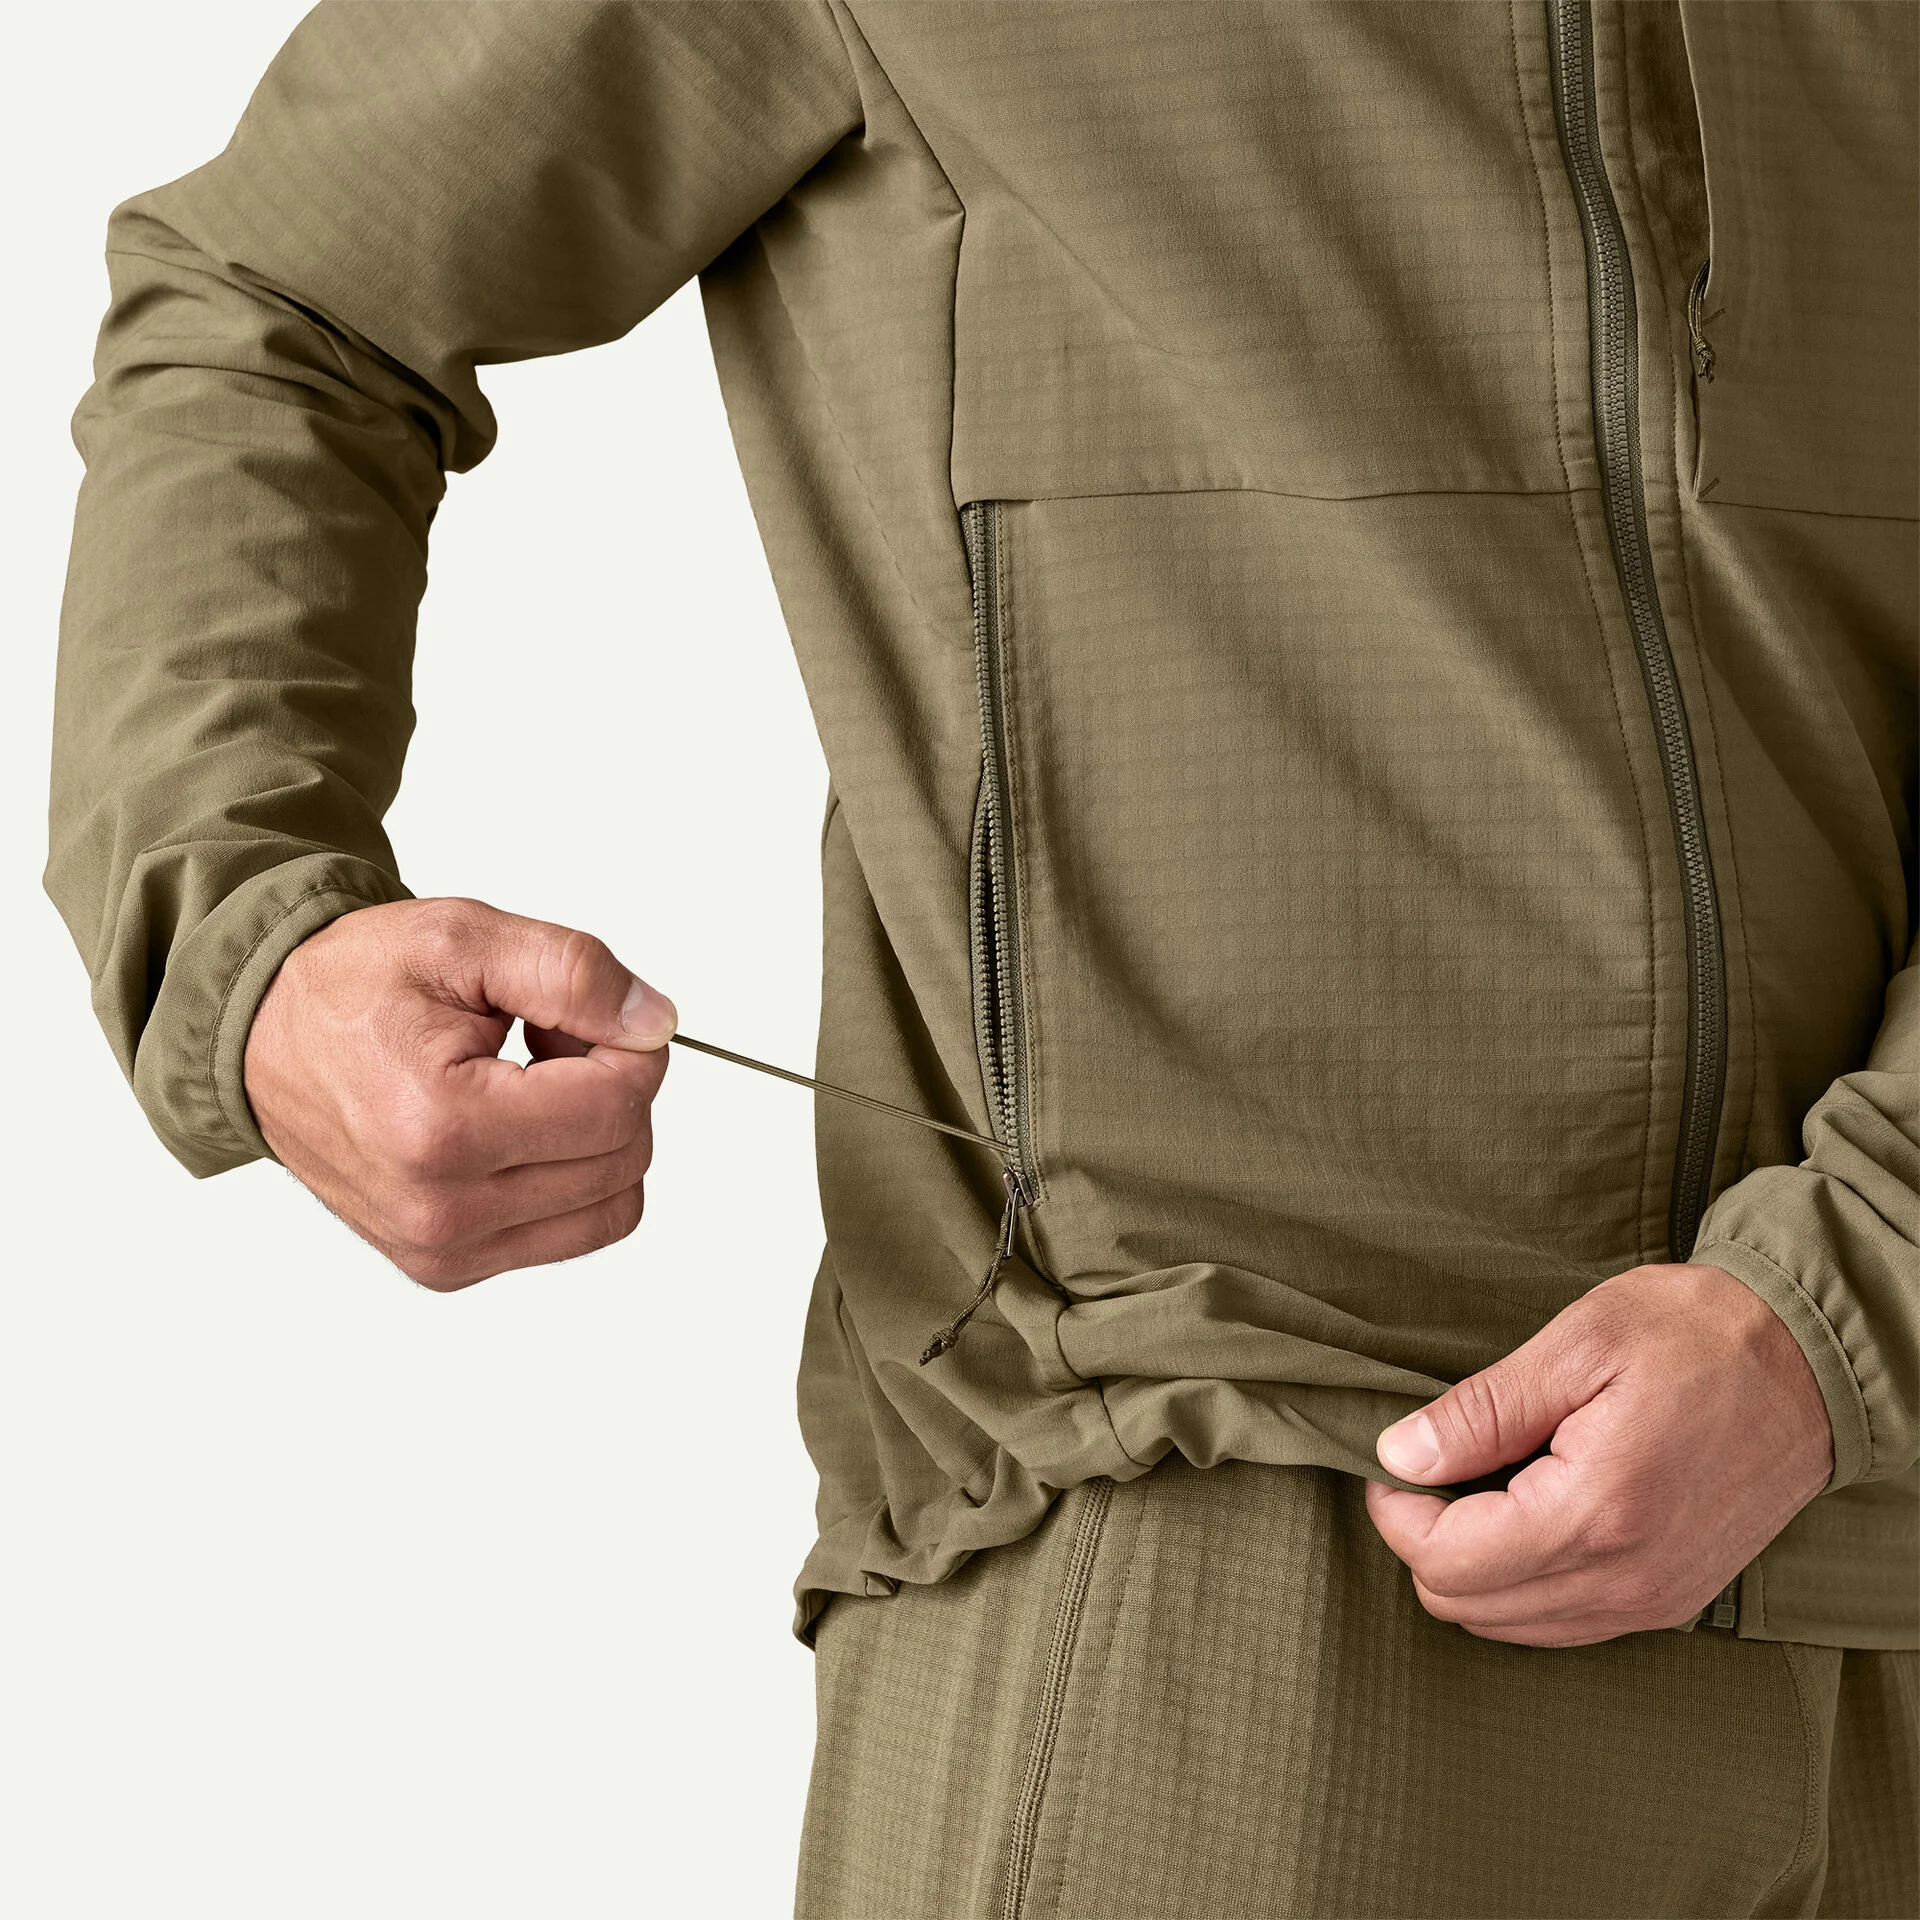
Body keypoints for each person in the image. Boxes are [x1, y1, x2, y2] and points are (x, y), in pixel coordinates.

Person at [48, 3, 1917, 1915]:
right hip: (1225, 1560)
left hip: (1888, 1523)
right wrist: (251, 937)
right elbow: (288, 291)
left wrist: (1843, 1314)